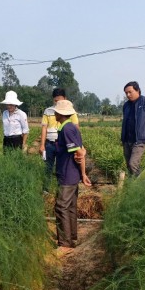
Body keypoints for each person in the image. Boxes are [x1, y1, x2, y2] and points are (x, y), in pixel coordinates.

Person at [53, 99, 92, 253]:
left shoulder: (67, 129)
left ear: (59, 114)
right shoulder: (70, 127)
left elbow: (79, 152)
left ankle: (64, 243)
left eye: (56, 111)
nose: (54, 113)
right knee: (69, 207)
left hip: (68, 175)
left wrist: (83, 173)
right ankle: (71, 237)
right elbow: (82, 150)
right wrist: (82, 174)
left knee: (61, 206)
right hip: (71, 174)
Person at [39, 88, 80, 191]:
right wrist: (42, 145)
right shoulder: (48, 111)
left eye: (60, 100)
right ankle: (46, 189)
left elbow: (76, 128)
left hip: (64, 144)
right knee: (48, 167)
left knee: (62, 167)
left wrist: (79, 145)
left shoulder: (71, 112)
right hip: (50, 143)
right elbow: (44, 128)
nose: (57, 102)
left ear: (65, 99)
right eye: (55, 101)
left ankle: (60, 188)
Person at [121, 81, 145, 176]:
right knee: (129, 165)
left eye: (130, 92)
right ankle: (132, 184)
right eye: (126, 93)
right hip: (127, 140)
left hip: (140, 140)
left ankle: (140, 183)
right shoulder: (126, 105)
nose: (128, 95)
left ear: (137, 90)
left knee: (133, 163)